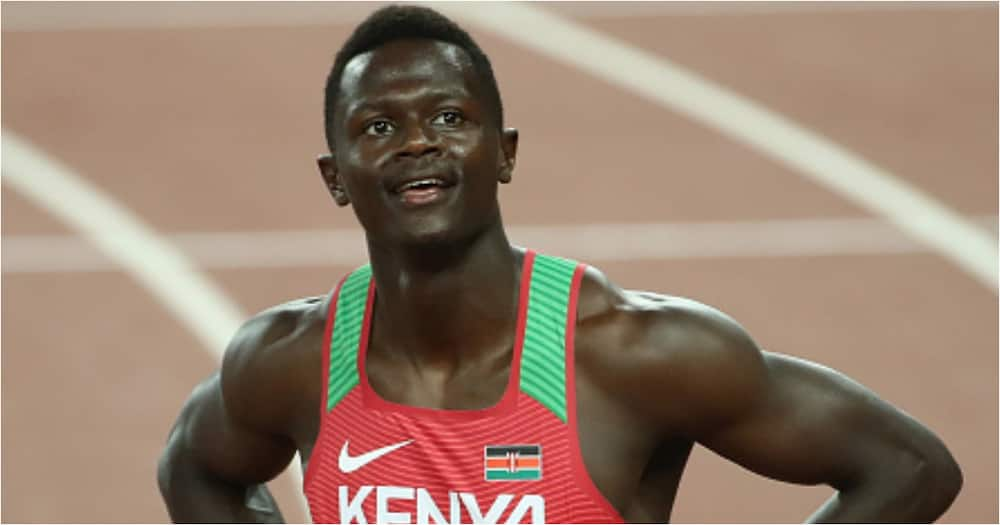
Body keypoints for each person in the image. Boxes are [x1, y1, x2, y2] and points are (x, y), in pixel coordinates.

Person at [156, 5, 962, 524]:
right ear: (336, 178)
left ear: (503, 154)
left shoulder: (629, 352)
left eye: (447, 115)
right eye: (376, 128)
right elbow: (193, 467)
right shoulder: (292, 361)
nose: (416, 142)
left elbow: (908, 468)